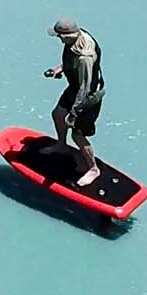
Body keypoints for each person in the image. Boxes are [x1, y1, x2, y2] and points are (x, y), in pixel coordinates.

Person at [44, 17, 105, 183]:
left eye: (59, 36)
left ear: (67, 36)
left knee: (77, 134)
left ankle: (93, 169)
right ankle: (61, 146)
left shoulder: (85, 57)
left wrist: (73, 113)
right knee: (57, 114)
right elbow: (71, 61)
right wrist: (60, 68)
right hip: (75, 88)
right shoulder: (75, 39)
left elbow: (85, 88)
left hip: (88, 97)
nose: (58, 39)